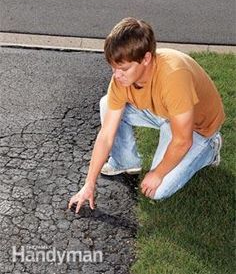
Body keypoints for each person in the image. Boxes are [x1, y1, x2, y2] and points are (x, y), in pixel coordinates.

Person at [68, 17, 225, 213]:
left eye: (124, 69)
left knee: (157, 190)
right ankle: (125, 161)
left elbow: (183, 141)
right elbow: (106, 135)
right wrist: (88, 184)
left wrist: (158, 173)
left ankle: (211, 148)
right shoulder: (121, 78)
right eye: (113, 68)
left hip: (198, 128)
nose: (116, 75)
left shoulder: (173, 77)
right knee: (107, 104)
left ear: (146, 59)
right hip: (164, 113)